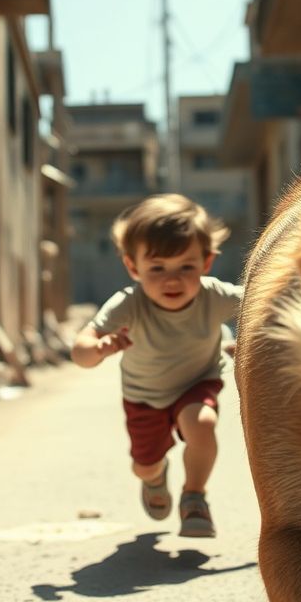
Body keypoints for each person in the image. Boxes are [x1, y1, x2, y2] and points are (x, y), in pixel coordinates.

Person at [71, 194, 242, 538]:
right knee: (143, 466)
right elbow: (80, 349)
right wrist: (99, 348)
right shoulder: (127, 304)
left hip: (198, 382)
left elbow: (265, 303)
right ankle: (156, 476)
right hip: (144, 396)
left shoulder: (215, 295)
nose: (173, 280)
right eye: (157, 268)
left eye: (186, 267)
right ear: (133, 268)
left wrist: (252, 341)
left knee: (202, 424)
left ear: (206, 262)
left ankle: (194, 496)